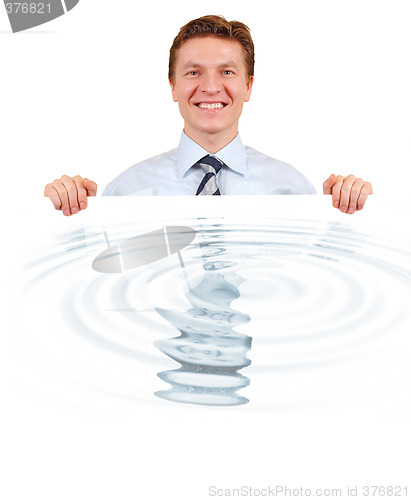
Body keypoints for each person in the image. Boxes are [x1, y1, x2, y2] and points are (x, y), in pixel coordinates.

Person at [44, 15, 372, 215]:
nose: (211, 87)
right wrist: (62, 211)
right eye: (193, 73)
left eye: (227, 72)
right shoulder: (126, 192)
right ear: (173, 87)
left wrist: (352, 212)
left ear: (248, 86)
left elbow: (318, 278)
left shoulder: (292, 190)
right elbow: (99, 276)